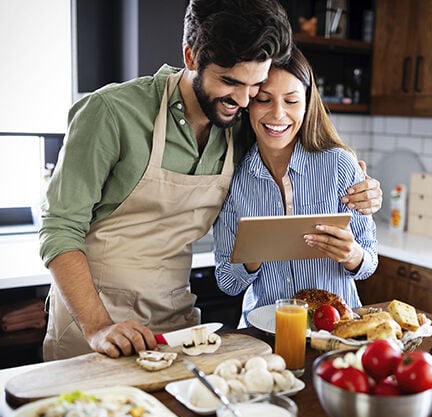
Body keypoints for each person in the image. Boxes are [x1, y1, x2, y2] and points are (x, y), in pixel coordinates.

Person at [40, 0, 382, 361]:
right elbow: (59, 227)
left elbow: (295, 137)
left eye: (254, 86)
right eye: (230, 81)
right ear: (190, 57)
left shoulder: (238, 126)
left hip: (175, 320)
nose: (242, 100)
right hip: (94, 321)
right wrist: (97, 326)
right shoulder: (111, 113)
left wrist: (367, 191)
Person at [213, 46, 378, 326]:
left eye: (291, 101)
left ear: (306, 103)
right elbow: (227, 283)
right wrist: (253, 256)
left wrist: (352, 255)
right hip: (265, 332)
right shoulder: (234, 177)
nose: (278, 114)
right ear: (248, 104)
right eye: (264, 100)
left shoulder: (339, 165)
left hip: (335, 330)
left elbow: (369, 261)